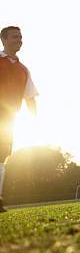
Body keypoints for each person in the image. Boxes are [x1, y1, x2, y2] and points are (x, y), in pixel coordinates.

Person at [0, 26, 38, 212]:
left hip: (9, 119)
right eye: (15, 37)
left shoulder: (24, 70)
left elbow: (30, 96)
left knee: (1, 157)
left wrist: (34, 120)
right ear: (4, 39)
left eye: (21, 37)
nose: (19, 40)